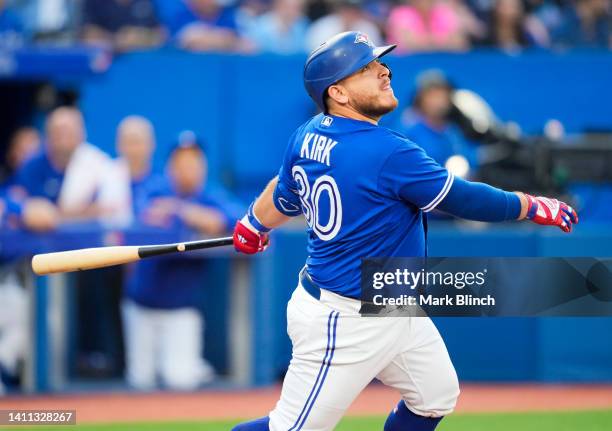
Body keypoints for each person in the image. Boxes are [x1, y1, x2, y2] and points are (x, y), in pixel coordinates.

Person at [230, 31, 578, 431]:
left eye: (379, 63)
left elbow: (283, 193)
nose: (384, 72)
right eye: (366, 68)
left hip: (390, 300)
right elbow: (463, 199)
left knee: (435, 397)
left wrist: (253, 223)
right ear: (338, 93)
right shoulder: (387, 150)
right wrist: (530, 204)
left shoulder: (308, 134)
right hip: (345, 315)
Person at [122, 133, 239, 390]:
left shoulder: (210, 194)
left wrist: (182, 210)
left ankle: (195, 366)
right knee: (139, 382)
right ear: (170, 166)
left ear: (202, 166)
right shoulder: (154, 188)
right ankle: (198, 366)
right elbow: (146, 217)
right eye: (181, 163)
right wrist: (192, 218)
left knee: (180, 381)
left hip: (182, 309)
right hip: (142, 304)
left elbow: (236, 220)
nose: (187, 169)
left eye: (193, 162)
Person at [14, 106, 131, 231]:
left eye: (69, 131)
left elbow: (110, 211)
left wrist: (57, 215)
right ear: (47, 135)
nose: (63, 138)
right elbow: (13, 200)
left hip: (87, 244)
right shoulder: (32, 166)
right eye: (57, 131)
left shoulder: (100, 164)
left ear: (82, 133)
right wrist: (25, 210)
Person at [398, 70, 477, 173]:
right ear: (420, 99)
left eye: (443, 96)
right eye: (433, 96)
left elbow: (469, 160)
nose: (439, 102)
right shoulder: (407, 130)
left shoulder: (453, 130)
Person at [114, 115, 164, 220]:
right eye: (128, 142)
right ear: (118, 145)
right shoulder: (103, 181)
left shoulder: (165, 185)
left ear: (152, 144)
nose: (133, 150)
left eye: (137, 142)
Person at [386, 0, 470, 53]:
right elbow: (409, 44)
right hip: (405, 66)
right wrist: (443, 41)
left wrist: (425, 41)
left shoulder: (444, 12)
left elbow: (460, 42)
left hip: (442, 63)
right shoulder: (400, 14)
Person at [81, 0, 165, 51]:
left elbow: (161, 34)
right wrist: (118, 39)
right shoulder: (95, 2)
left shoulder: (146, 1)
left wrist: (139, 37)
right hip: (108, 65)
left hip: (142, 63)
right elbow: (87, 35)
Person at [305, 0, 382, 52]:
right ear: (339, 9)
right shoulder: (323, 26)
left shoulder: (368, 28)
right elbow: (314, 53)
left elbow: (374, 54)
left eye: (354, 9)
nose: (349, 13)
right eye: (346, 9)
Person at [168, 0, 243, 51]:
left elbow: (235, 41)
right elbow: (180, 43)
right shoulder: (181, 16)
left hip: (220, 66)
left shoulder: (227, 15)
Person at [245, 0, 309, 54]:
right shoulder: (261, 25)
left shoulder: (302, 25)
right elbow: (252, 50)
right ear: (278, 5)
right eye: (287, 7)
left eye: (297, 8)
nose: (292, 11)